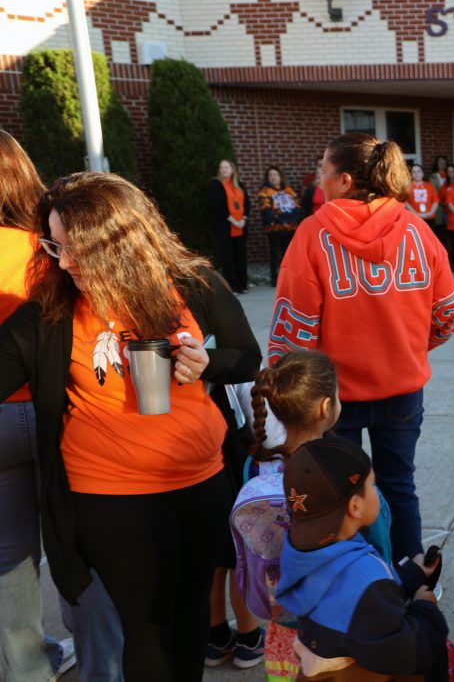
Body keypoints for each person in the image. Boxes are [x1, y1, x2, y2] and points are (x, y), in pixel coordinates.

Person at [0, 172, 262, 681]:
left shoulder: (195, 284)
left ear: (121, 242)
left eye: (77, 248)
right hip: (110, 499)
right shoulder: (48, 315)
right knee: (145, 627)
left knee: (190, 618)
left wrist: (208, 363)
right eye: (55, 245)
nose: (65, 261)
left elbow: (248, 359)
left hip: (202, 484)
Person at [269, 132, 454, 562]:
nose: (320, 177)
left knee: (338, 489)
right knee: (399, 484)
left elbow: (292, 330)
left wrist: (284, 385)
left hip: (332, 398)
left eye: (324, 169)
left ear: (344, 180)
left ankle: (354, 576)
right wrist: (410, 348)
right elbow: (448, 316)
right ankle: (414, 575)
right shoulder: (418, 229)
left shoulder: (313, 233)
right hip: (403, 389)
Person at [0, 131, 125, 682]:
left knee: (9, 554)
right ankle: (105, 665)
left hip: (3, 414)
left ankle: (27, 667)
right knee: (80, 547)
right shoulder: (48, 243)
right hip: (64, 409)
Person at [240, 350, 392, 681]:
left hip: (283, 619)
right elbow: (378, 539)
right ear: (326, 407)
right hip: (337, 620)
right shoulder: (343, 473)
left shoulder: (255, 466)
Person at [275, 439, 452, 681]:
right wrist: (426, 608)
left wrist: (412, 575)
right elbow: (408, 653)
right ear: (356, 506)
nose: (375, 491)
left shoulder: (301, 552)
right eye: (372, 485)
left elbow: (346, 596)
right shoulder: (365, 578)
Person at [210, 159, 250, 294]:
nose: (224, 170)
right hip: (226, 227)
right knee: (228, 259)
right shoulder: (216, 184)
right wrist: (233, 220)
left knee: (240, 256)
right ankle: (232, 287)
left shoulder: (239, 185)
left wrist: (244, 219)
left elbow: (247, 204)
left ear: (232, 169)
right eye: (221, 168)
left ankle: (243, 285)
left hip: (240, 226)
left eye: (226, 167)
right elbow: (217, 206)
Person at [258, 166, 302, 287]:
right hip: (274, 230)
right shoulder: (264, 192)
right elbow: (266, 210)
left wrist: (289, 218)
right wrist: (282, 218)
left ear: (280, 177)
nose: (273, 177)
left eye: (275, 175)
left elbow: (297, 207)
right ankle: (275, 279)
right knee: (274, 255)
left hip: (289, 228)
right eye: (270, 175)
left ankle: (289, 278)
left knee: (288, 255)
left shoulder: (289, 191)